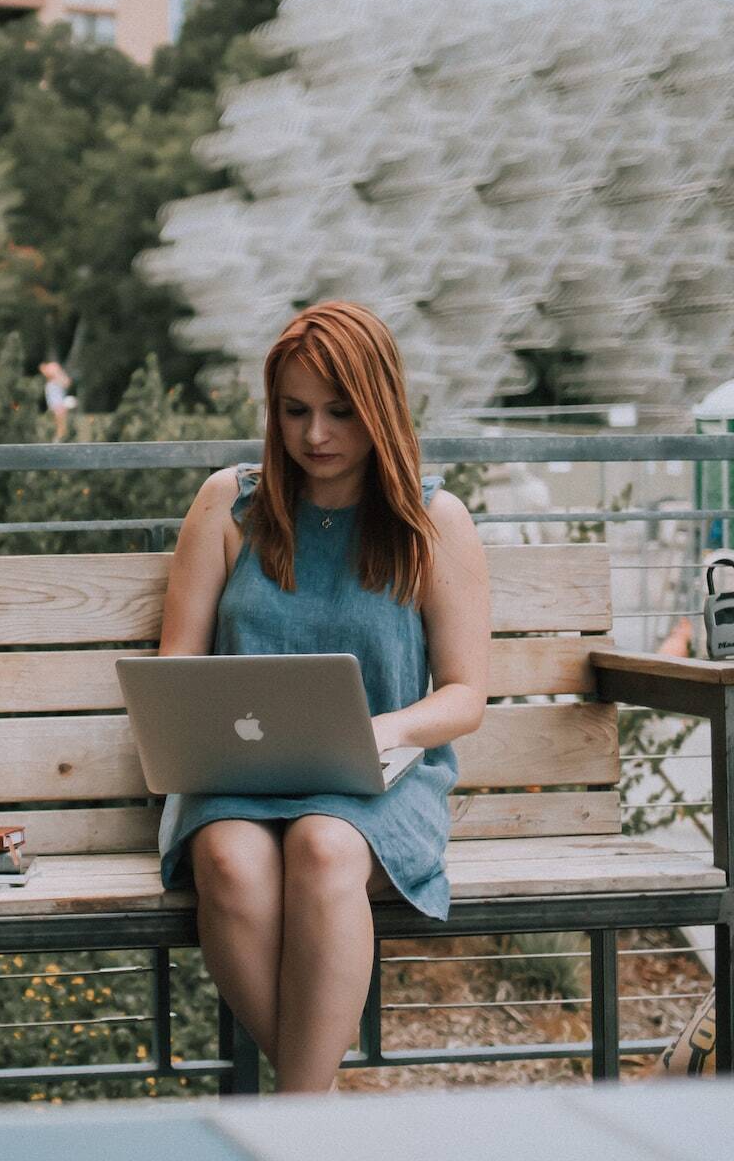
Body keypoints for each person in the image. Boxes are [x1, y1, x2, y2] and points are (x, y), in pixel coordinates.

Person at [155, 301, 490, 1093]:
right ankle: (319, 1120)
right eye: (295, 412)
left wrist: (378, 728)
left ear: (382, 405)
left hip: (376, 784)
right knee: (230, 865)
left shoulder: (433, 523)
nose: (315, 437)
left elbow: (466, 694)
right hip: (234, 782)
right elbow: (175, 669)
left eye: (341, 412)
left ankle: (299, 1125)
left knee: (322, 844)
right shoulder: (227, 507)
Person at [40, 361, 77, 442]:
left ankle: (59, 439)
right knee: (59, 426)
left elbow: (66, 383)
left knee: (61, 426)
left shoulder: (57, 380)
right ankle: (58, 439)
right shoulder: (51, 384)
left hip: (59, 405)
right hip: (56, 406)